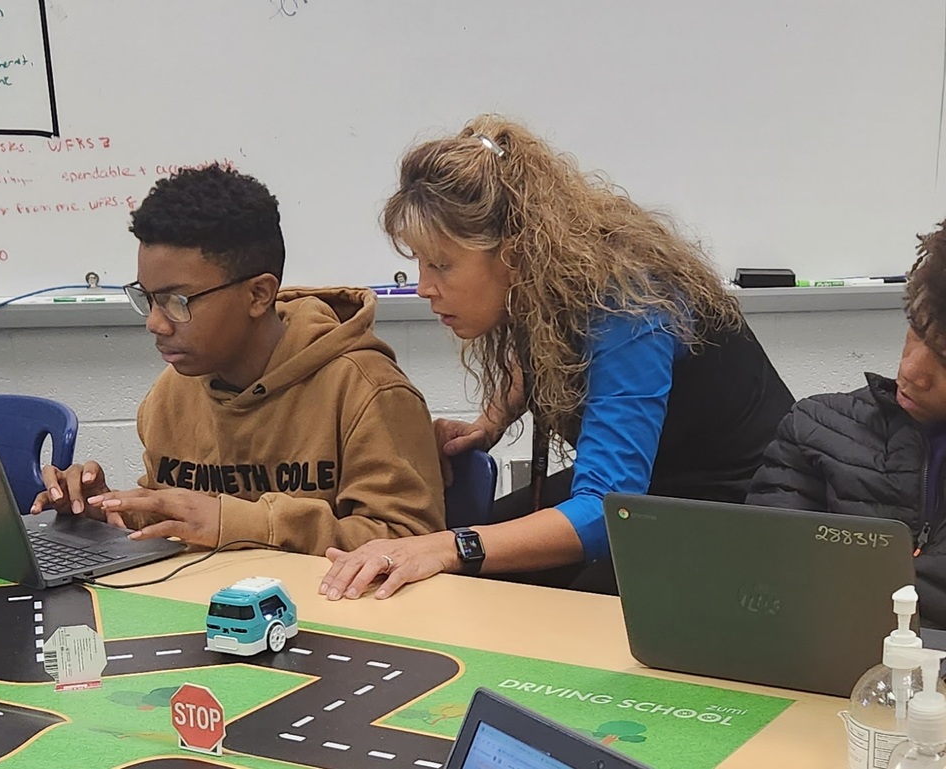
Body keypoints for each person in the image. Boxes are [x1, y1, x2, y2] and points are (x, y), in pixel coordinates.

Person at [319, 115, 794, 600]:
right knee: (466, 577)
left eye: (441, 264)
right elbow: (547, 349)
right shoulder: (552, 277)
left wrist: (445, 546)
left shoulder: (628, 306)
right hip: (653, 487)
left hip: (740, 507)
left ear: (516, 253)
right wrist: (491, 421)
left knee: (532, 591)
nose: (424, 288)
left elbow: (606, 512)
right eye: (419, 264)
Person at [31, 164, 445, 554]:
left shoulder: (367, 391)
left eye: (177, 301)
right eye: (147, 299)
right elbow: (180, 518)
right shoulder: (172, 393)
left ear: (258, 295)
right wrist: (105, 509)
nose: (156, 323)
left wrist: (245, 524)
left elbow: (409, 542)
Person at [747, 221, 946, 628]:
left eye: (945, 360)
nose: (911, 371)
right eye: (916, 331)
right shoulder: (815, 428)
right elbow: (762, 583)